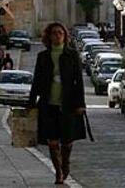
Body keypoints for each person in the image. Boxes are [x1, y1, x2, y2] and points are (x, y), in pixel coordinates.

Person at [29, 22, 86, 185]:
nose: (57, 35)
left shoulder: (72, 55)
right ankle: (58, 172)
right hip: (48, 103)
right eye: (54, 33)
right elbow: (37, 80)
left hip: (68, 104)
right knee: (52, 141)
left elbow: (79, 81)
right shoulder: (43, 57)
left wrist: (81, 104)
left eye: (60, 32)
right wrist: (31, 102)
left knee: (67, 141)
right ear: (49, 36)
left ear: (65, 36)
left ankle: (66, 162)